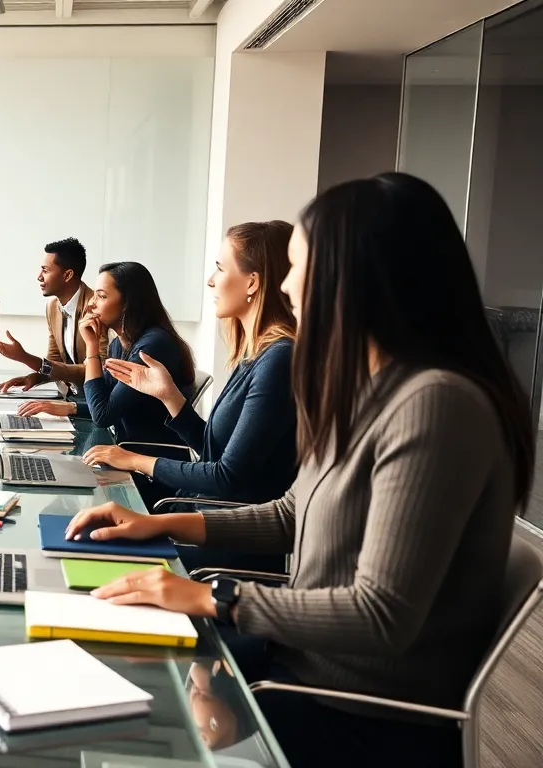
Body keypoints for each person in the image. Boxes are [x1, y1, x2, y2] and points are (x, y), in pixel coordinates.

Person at [63, 172, 534, 768]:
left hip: (348, 712)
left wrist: (213, 596)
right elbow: (291, 514)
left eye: (298, 265)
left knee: (118, 699)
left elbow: (380, 613)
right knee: (108, 651)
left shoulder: (436, 404)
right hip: (294, 663)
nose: (287, 284)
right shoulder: (373, 391)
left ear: (354, 279)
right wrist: (159, 525)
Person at [82, 222, 298, 507]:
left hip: (220, 528)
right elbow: (211, 451)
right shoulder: (255, 355)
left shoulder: (278, 360)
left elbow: (226, 476)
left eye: (220, 268)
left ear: (252, 282)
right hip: (202, 513)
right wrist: (169, 395)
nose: (210, 280)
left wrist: (136, 461)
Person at [41, 261, 196, 445]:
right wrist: (70, 407)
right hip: (125, 450)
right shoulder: (118, 344)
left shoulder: (153, 346)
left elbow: (103, 416)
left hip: (147, 458)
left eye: (101, 296)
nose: (91, 304)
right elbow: (104, 400)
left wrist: (92, 346)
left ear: (127, 304)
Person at [0, 238, 96, 393]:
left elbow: (95, 370)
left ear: (68, 275)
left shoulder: (95, 308)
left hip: (92, 402)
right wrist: (37, 377)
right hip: (70, 396)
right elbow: (54, 362)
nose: (39, 277)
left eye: (46, 271)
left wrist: (25, 357)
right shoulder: (52, 307)